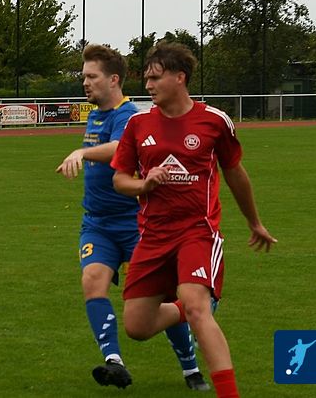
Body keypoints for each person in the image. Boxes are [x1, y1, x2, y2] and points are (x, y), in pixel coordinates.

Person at [110, 42, 277, 398]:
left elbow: (235, 173)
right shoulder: (138, 124)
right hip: (152, 236)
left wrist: (254, 222)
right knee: (137, 326)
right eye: (147, 78)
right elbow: (120, 180)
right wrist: (144, 183)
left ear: (180, 77)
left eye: (155, 78)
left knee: (199, 310)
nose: (148, 85)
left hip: (197, 232)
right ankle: (187, 306)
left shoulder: (214, 121)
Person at [55, 44, 207, 390]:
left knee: (162, 298)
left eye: (92, 76)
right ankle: (114, 362)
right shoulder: (95, 116)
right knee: (92, 281)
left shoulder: (129, 116)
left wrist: (82, 152)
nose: (85, 83)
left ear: (113, 80)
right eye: (83, 77)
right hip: (97, 223)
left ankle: (190, 368)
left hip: (136, 223)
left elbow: (119, 148)